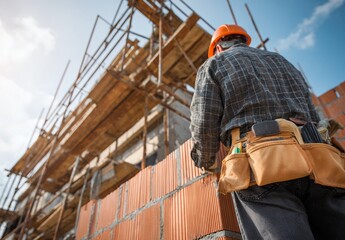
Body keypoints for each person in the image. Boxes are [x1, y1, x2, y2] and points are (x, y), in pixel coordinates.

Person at [189, 24, 345, 240]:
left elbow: (204, 122)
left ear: (218, 47)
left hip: (261, 163)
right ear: (244, 40)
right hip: (317, 158)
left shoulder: (214, 64)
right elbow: (313, 117)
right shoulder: (284, 63)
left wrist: (205, 161)